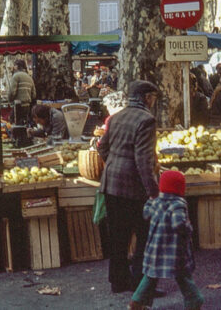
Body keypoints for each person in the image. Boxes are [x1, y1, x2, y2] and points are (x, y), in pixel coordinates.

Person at [97, 80, 160, 294]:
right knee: (144, 237)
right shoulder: (147, 120)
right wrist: (153, 193)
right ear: (147, 97)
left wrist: (114, 164)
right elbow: (144, 161)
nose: (153, 101)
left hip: (111, 184)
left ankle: (117, 282)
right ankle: (140, 286)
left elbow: (102, 147)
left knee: (118, 236)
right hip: (133, 188)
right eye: (153, 97)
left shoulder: (116, 117)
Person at [129, 170, 203, 310]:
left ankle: (136, 302)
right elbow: (178, 223)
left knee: (150, 277)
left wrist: (150, 201)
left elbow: (146, 214)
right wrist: (189, 229)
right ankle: (194, 300)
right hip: (174, 252)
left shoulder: (156, 201)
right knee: (183, 277)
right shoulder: (179, 204)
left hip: (155, 250)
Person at [9, 60, 36, 124]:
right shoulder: (29, 77)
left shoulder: (16, 76)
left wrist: (10, 100)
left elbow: (12, 92)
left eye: (14, 65)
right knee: (24, 125)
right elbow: (34, 94)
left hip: (18, 106)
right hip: (27, 106)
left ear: (17, 66)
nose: (13, 67)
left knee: (14, 125)